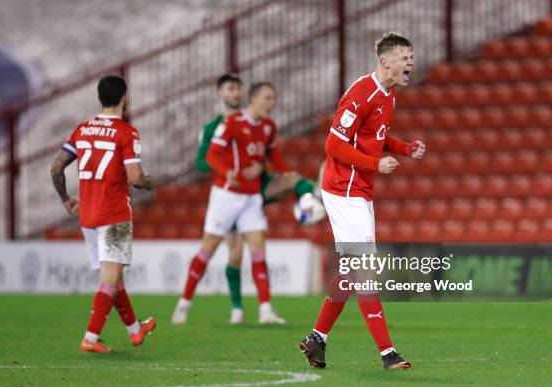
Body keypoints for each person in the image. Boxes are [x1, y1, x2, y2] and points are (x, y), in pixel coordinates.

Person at [298, 33, 426, 369]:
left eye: (411, 56)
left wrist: (404, 148)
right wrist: (375, 164)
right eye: (404, 57)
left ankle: (316, 339)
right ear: (384, 62)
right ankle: (387, 353)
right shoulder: (362, 93)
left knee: (350, 271)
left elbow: (375, 137)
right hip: (344, 190)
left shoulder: (389, 94)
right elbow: (333, 146)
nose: (410, 62)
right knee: (365, 271)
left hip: (358, 190)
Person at [194, 74, 320, 324]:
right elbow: (203, 162)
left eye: (238, 89)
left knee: (292, 178)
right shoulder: (215, 127)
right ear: (220, 93)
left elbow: (268, 156)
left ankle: (313, 195)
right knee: (235, 254)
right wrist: (234, 169)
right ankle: (237, 309)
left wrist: (260, 167)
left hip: (257, 190)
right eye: (230, 89)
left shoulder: (263, 124)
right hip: (232, 194)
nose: (235, 94)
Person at [50, 75, 157, 353]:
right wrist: (149, 182)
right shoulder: (126, 132)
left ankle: (135, 330)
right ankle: (91, 337)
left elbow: (56, 168)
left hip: (87, 215)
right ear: (125, 98)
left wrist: (65, 199)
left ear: (100, 98)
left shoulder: (82, 130)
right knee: (109, 279)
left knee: (115, 277)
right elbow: (134, 178)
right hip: (114, 213)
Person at [172, 82, 292, 325]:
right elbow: (211, 155)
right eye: (268, 98)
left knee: (258, 250)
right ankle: (184, 304)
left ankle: (266, 309)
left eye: (273, 98)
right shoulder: (232, 123)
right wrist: (227, 172)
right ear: (255, 99)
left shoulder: (268, 127)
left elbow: (272, 154)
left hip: (252, 197)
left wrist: (283, 172)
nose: (272, 103)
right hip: (227, 196)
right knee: (209, 249)